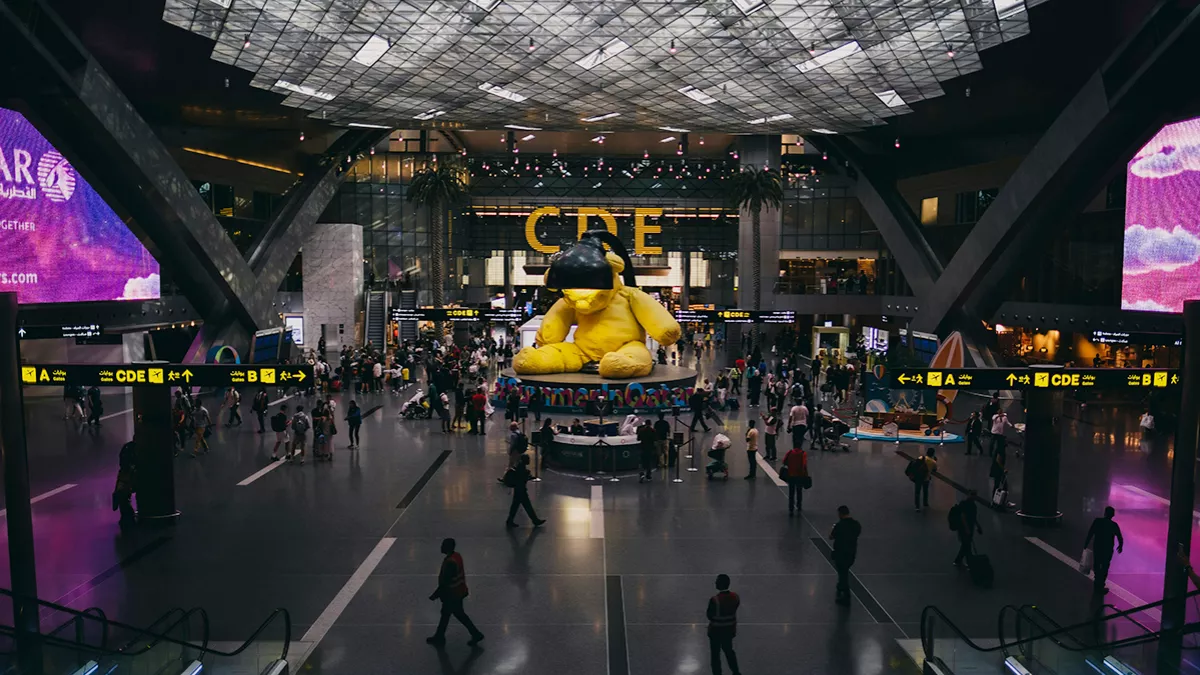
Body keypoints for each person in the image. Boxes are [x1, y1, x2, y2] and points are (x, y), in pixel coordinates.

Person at [426, 538, 485, 646]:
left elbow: (446, 582)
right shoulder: (456, 556)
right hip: (458, 591)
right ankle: (440, 636)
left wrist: (436, 594)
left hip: (453, 594)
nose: (441, 547)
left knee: (458, 614)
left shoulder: (450, 562)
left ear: (447, 547)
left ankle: (476, 634)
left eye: (443, 545)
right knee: (447, 614)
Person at [706, 574, 741, 675]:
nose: (715, 583)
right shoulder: (735, 597)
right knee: (729, 652)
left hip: (715, 632)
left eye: (717, 581)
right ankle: (736, 672)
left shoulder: (714, 600)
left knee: (715, 656)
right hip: (729, 631)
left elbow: (710, 615)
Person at [1084, 506, 1124, 595]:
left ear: (1105, 513)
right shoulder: (1114, 525)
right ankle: (1101, 583)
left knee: (1097, 563)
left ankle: (1097, 580)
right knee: (1105, 566)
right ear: (1113, 515)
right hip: (1108, 549)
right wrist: (1120, 546)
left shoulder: (1097, 521)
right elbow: (1120, 537)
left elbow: (1090, 533)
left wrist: (1086, 544)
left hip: (1098, 547)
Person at [830, 505, 861, 606]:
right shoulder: (856, 525)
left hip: (840, 553)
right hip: (851, 553)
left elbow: (831, 536)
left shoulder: (839, 525)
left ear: (840, 514)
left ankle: (845, 594)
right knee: (844, 571)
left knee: (843, 574)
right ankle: (840, 587)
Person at [502, 454, 545, 528]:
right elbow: (521, 478)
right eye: (528, 459)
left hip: (518, 490)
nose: (529, 461)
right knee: (526, 506)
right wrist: (527, 474)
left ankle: (510, 520)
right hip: (521, 490)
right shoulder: (521, 467)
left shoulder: (520, 466)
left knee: (516, 506)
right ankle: (535, 520)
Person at [952, 496, 982, 567]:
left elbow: (973, 517)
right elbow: (964, 517)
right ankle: (967, 562)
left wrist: (977, 526)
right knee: (966, 546)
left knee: (966, 546)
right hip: (965, 529)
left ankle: (959, 561)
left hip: (966, 528)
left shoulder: (969, 505)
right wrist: (967, 529)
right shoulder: (969, 505)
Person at [113, 440, 137, 530]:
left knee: (121, 492)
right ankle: (127, 515)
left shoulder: (128, 447)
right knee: (121, 492)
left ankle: (126, 516)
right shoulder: (131, 448)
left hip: (129, 476)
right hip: (132, 475)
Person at [781, 445, 808, 514]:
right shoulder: (803, 453)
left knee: (791, 492)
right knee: (799, 491)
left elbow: (784, 461)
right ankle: (799, 506)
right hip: (799, 475)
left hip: (791, 475)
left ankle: (791, 508)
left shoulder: (790, 452)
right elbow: (804, 465)